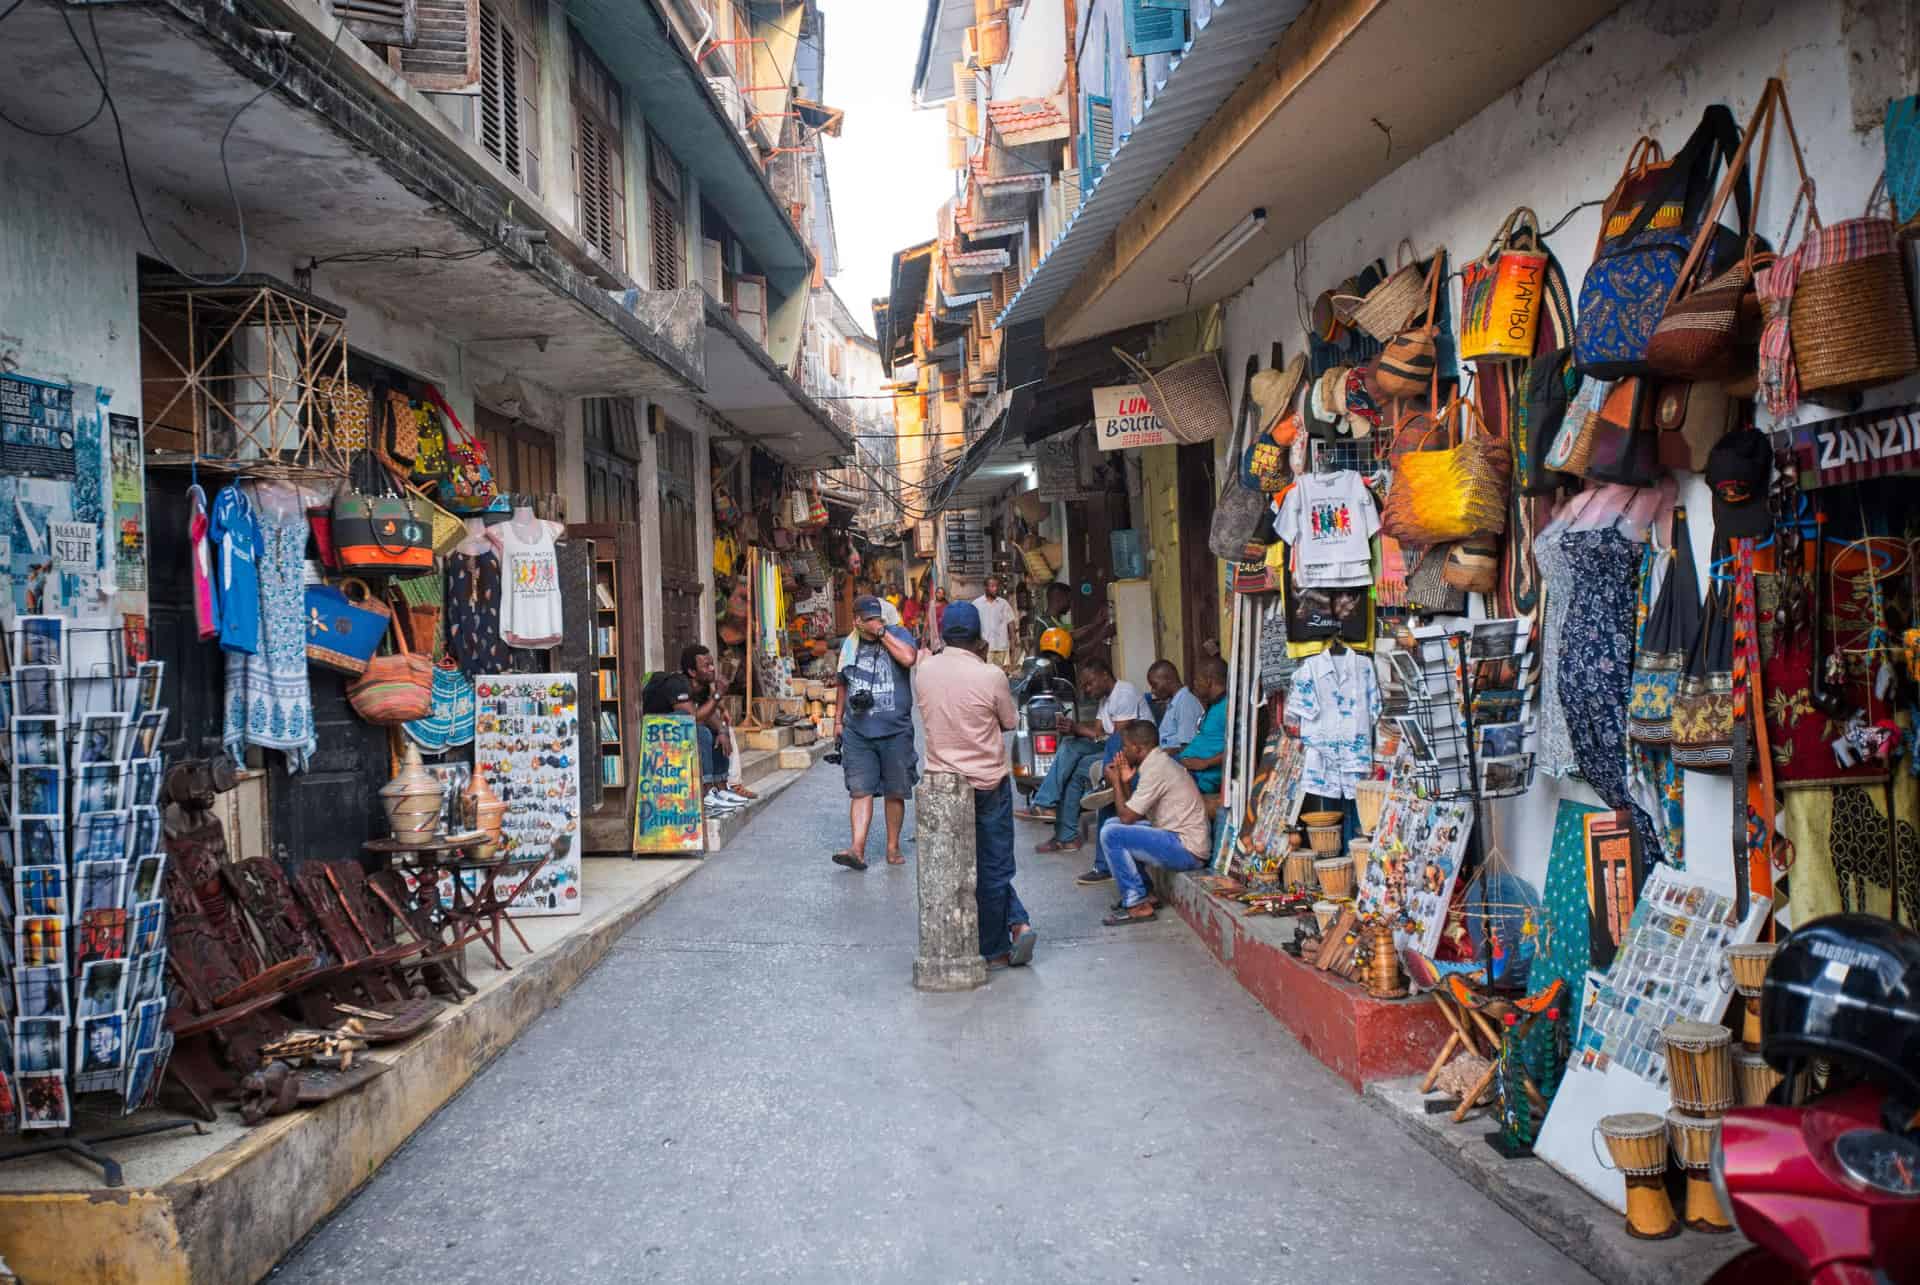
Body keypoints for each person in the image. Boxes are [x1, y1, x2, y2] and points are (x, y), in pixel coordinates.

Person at [913, 601, 1035, 968]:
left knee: (953, 868)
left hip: (943, 787)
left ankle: (1016, 923)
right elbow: (1010, 721)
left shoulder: (924, 671)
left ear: (944, 634)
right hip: (987, 784)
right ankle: (997, 946)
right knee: (994, 866)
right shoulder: (990, 675)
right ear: (979, 638)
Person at [1023, 656, 1151, 856]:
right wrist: (1075, 730)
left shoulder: (1123, 693)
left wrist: (1079, 728)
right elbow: (1099, 735)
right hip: (1110, 747)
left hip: (1130, 753)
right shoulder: (1105, 700)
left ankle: (1059, 826)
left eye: (1090, 683)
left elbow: (1119, 740)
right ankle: (1050, 811)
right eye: (1084, 685)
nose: (1087, 689)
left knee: (1076, 764)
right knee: (1069, 747)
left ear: (1105, 675)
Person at [831, 595, 919, 870]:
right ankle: (857, 849)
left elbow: (908, 658)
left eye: (876, 617)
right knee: (860, 790)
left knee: (895, 791)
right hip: (858, 731)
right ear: (856, 621)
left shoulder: (897, 634)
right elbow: (842, 684)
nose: (872, 622)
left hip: (895, 730)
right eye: (866, 619)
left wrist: (881, 633)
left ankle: (892, 847)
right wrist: (837, 721)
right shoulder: (850, 645)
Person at [1097, 719, 1213, 925]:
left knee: (1111, 834)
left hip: (1187, 849)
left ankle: (1137, 904)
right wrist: (1124, 782)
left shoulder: (1156, 769)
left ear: (1138, 748)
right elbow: (1133, 815)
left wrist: (1115, 781)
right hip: (1175, 838)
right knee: (1110, 825)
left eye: (1125, 747)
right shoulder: (1155, 763)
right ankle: (1146, 893)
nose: (1123, 751)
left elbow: (1127, 817)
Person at [1177, 657, 1231, 795]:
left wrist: (1206, 762)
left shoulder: (1228, 707)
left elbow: (1241, 747)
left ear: (1208, 681)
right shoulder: (1215, 705)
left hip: (1199, 779)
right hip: (1187, 772)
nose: (1194, 685)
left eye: (1197, 680)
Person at [1146, 660, 1204, 754]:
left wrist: (1161, 755)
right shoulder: (1175, 702)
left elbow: (1188, 747)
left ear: (1169, 679)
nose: (1152, 691)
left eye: (1154, 685)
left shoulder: (1185, 702)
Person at [971, 575, 1018, 670]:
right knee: (986, 675)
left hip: (1002, 648)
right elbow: (973, 626)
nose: (995, 588)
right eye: (992, 586)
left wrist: (1013, 646)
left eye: (996, 586)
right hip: (985, 649)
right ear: (985, 587)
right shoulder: (976, 604)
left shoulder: (1003, 604)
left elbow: (1011, 625)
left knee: (1001, 675)